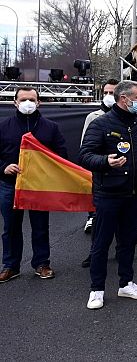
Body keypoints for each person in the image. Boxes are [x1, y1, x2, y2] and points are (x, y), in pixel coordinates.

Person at [79, 80, 137, 309]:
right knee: (101, 242)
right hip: (108, 193)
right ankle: (96, 289)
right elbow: (85, 155)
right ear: (123, 99)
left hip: (136, 193)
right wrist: (105, 161)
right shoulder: (101, 123)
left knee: (128, 242)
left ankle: (126, 283)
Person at [0, 87, 68, 283]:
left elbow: (61, 154)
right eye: (23, 99)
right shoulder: (3, 127)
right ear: (14, 102)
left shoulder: (50, 127)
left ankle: (41, 263)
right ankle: (10, 266)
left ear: (39, 103)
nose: (27, 103)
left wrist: (46, 166)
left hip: (39, 186)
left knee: (40, 226)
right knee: (10, 227)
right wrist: (4, 167)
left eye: (31, 99)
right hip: (10, 185)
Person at [80, 79, 120, 236]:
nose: (109, 96)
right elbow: (85, 146)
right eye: (106, 93)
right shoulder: (93, 117)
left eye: (112, 93)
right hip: (99, 168)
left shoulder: (133, 116)